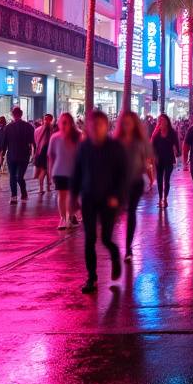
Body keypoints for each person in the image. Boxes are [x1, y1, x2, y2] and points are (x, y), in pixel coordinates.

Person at [76, 111, 128, 293]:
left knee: (106, 238)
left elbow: (123, 175)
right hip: (89, 197)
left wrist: (116, 196)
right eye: (92, 125)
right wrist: (74, 197)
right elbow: (77, 172)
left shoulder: (115, 147)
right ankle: (92, 277)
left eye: (99, 125)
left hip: (109, 200)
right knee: (89, 238)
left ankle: (115, 256)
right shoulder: (84, 147)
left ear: (106, 126)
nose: (95, 128)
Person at [117, 112, 155, 260]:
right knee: (120, 211)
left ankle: (128, 248)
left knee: (131, 211)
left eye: (129, 122)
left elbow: (148, 160)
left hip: (135, 182)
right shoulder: (116, 141)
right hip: (119, 182)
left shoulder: (141, 141)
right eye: (124, 122)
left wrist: (150, 178)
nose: (127, 125)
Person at [50, 114, 83, 229]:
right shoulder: (55, 137)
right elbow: (51, 156)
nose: (63, 125)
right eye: (61, 122)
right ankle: (63, 218)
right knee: (62, 195)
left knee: (72, 195)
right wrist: (50, 174)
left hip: (74, 172)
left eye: (66, 122)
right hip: (59, 171)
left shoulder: (78, 136)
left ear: (71, 124)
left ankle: (72, 215)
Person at [0, 107, 36, 203]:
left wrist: (0, 155)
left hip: (12, 155)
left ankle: (14, 196)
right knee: (19, 176)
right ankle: (21, 192)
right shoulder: (29, 127)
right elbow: (32, 142)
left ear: (13, 114)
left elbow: (4, 143)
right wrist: (33, 153)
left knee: (12, 176)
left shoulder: (8, 127)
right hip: (24, 155)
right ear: (21, 114)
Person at [151, 115, 180, 208]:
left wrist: (177, 153)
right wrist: (153, 156)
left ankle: (165, 198)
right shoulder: (156, 133)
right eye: (160, 120)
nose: (162, 122)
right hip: (159, 158)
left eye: (164, 120)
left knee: (166, 178)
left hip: (169, 158)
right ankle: (160, 199)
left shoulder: (172, 132)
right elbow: (153, 146)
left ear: (167, 121)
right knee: (159, 179)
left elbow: (176, 143)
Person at [33, 113, 56, 195]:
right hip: (47, 153)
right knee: (46, 170)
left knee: (43, 171)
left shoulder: (37, 130)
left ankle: (41, 188)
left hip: (40, 152)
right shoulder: (52, 130)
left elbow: (35, 141)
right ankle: (48, 186)